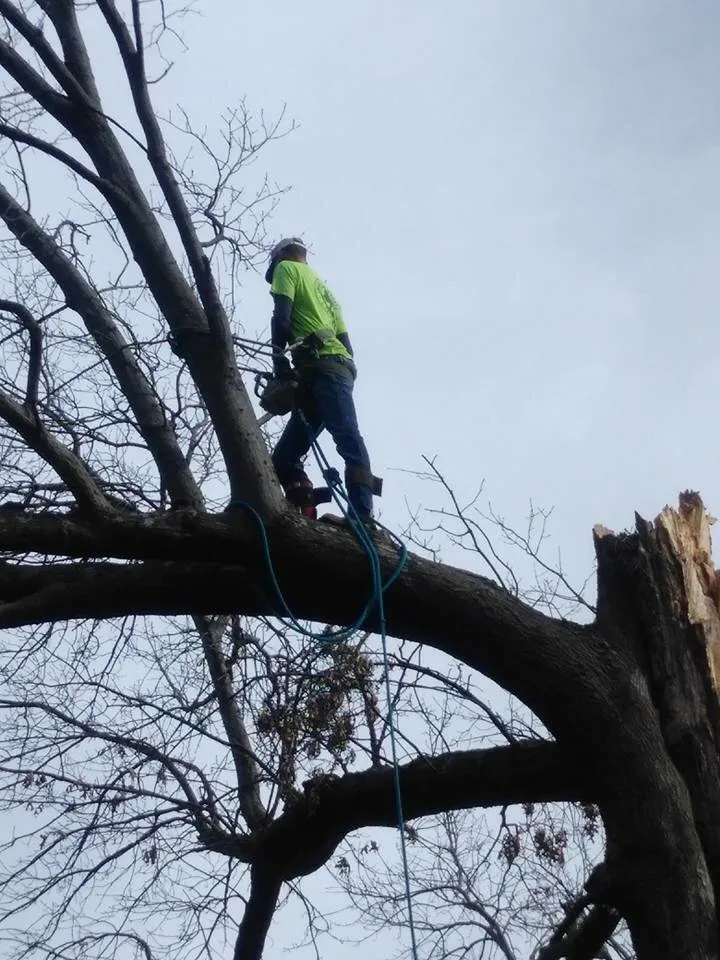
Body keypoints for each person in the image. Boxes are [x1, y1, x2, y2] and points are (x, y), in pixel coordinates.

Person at [265, 237, 380, 523]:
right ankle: (304, 515)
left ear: (281, 256)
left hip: (322, 368)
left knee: (347, 437)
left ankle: (362, 518)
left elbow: (281, 319)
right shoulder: (326, 292)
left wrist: (280, 362)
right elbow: (347, 345)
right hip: (330, 370)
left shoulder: (286, 269)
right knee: (283, 458)